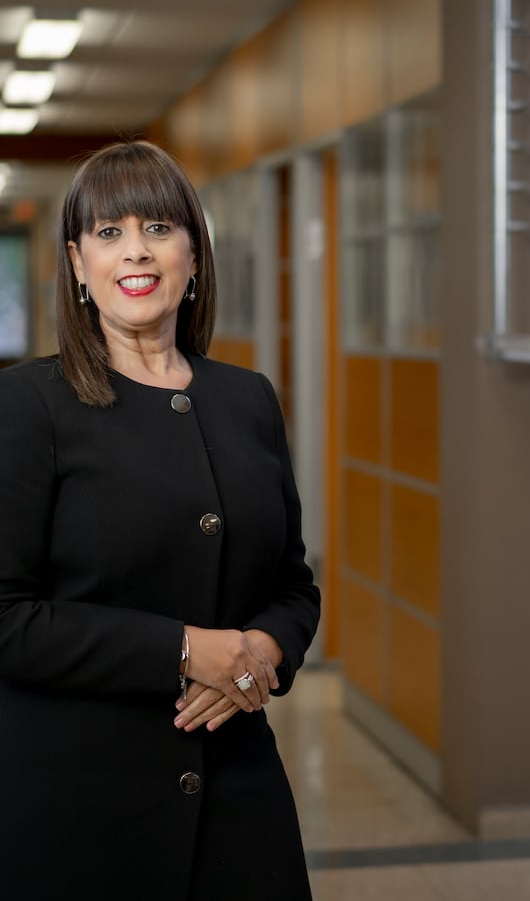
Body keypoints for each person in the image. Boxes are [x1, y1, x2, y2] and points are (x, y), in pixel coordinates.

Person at [0, 140, 321, 899]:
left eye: (158, 228)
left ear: (194, 255)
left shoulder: (248, 399)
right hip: (78, 807)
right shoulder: (28, 405)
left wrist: (261, 648)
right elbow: (7, 618)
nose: (135, 252)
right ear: (77, 263)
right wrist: (185, 651)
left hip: (240, 793)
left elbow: (295, 587)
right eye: (108, 234)